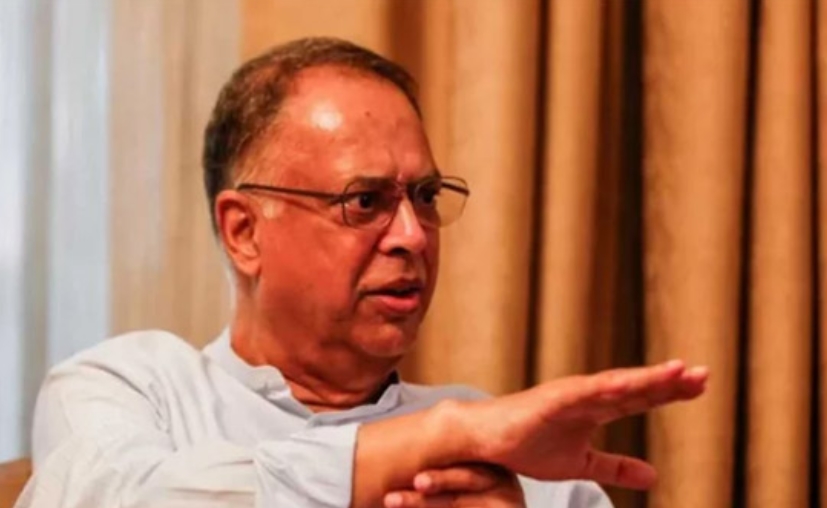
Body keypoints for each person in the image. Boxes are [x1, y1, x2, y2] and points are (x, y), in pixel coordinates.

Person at [15, 37, 707, 508]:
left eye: (425, 197)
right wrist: (432, 440)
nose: (412, 236)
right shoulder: (135, 387)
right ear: (244, 232)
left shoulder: (517, 461)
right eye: (365, 202)